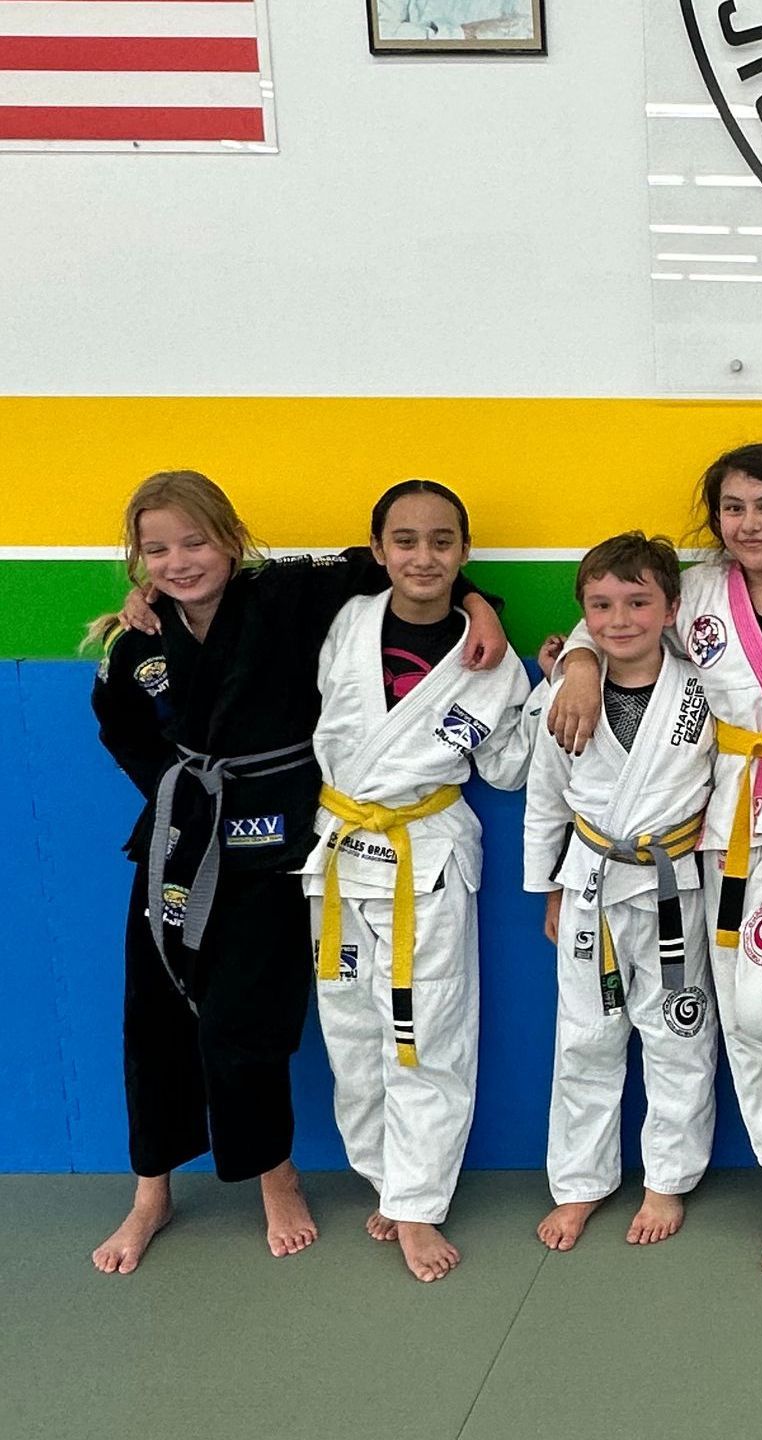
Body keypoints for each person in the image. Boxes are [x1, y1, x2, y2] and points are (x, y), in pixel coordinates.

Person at [88, 470, 507, 1275]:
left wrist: (482, 603)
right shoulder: (135, 642)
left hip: (276, 841)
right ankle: (151, 1191)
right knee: (153, 1018)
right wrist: (176, 794)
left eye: (196, 542)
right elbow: (119, 726)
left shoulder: (288, 596)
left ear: (233, 539)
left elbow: (409, 566)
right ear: (138, 561)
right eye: (157, 550)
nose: (179, 562)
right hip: (179, 839)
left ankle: (273, 1177)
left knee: (245, 1023)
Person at [545, 443, 762, 1283]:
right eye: (733, 508)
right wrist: (581, 663)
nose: (749, 524)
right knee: (744, 1020)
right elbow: (610, 625)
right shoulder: (694, 591)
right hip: (724, 827)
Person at [303, 480, 532, 1282]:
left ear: (464, 552)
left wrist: (563, 668)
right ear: (378, 551)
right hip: (335, 856)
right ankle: (384, 1177)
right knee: (352, 1030)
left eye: (443, 541)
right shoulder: (344, 622)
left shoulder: (493, 662)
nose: (423, 556)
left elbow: (507, 770)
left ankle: (417, 1203)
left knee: (425, 1034)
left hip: (425, 858)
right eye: (405, 541)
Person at [523, 533, 718, 1254]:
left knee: (680, 1033)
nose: (620, 619)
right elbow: (545, 799)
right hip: (591, 884)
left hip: (677, 886)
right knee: (585, 1039)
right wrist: (547, 886)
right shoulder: (565, 691)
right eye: (600, 606)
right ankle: (579, 1184)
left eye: (638, 602)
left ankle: (667, 1178)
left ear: (671, 608)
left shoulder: (702, 685)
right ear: (583, 613)